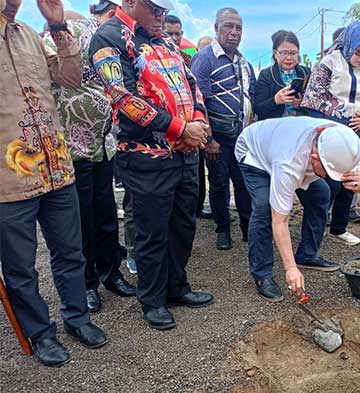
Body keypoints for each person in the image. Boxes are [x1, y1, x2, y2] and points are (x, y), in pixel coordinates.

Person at [89, 0, 215, 330]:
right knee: (151, 231)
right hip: (147, 156)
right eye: (154, 8)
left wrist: (198, 121)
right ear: (129, 2)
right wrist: (179, 128)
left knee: (182, 225)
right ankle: (153, 298)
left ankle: (177, 287)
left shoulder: (162, 39)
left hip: (186, 152)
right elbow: (123, 98)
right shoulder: (109, 37)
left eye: (163, 9)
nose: (161, 15)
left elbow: (191, 84)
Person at [0, 0, 107, 367]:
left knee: (70, 251)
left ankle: (77, 317)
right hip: (8, 181)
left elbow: (71, 78)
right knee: (20, 266)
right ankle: (41, 332)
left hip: (57, 167)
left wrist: (59, 27)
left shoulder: (30, 34)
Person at [42, 0, 136, 314]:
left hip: (102, 144)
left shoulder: (104, 35)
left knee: (106, 214)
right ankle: (87, 283)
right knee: (81, 220)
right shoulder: (59, 33)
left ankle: (112, 273)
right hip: (73, 147)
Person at [235, 116, 360, 301]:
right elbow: (280, 220)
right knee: (264, 207)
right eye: (329, 173)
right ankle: (262, 274)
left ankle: (307, 255)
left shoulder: (342, 140)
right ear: (315, 158)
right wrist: (290, 269)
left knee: (321, 194)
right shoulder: (288, 163)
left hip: (280, 144)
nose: (332, 177)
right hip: (254, 151)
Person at [302, 20, 360, 246]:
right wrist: (342, 113)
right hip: (330, 131)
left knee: (350, 181)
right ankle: (315, 230)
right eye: (359, 52)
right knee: (328, 182)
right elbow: (313, 97)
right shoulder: (329, 63)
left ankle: (339, 227)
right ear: (348, 44)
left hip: (357, 132)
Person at [191, 7, 254, 251]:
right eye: (228, 26)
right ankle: (222, 230)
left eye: (238, 27)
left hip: (241, 138)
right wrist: (209, 139)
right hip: (218, 138)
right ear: (217, 29)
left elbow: (250, 96)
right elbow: (199, 100)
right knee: (218, 184)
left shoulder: (243, 62)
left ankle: (248, 229)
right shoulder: (204, 58)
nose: (234, 32)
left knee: (243, 184)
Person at [254, 30, 310, 120]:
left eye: (293, 53)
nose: (289, 57)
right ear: (275, 53)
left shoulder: (306, 73)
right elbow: (257, 109)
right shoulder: (266, 75)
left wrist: (301, 104)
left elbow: (315, 107)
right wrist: (276, 100)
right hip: (273, 128)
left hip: (301, 127)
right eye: (284, 53)